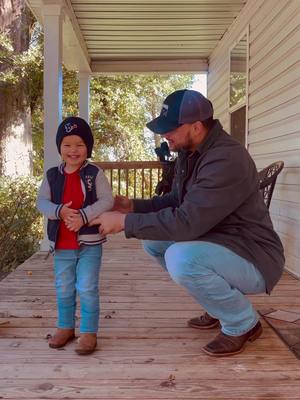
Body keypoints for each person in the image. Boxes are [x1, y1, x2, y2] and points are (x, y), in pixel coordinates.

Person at [91, 89, 285, 357]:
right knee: (155, 243)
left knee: (181, 258)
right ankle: (220, 305)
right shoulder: (191, 151)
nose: (164, 135)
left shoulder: (226, 159)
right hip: (222, 241)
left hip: (254, 256)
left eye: (170, 129)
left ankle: (242, 323)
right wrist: (133, 206)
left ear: (196, 126)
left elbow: (186, 223)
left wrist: (125, 222)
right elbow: (176, 199)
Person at [37, 116, 114, 355]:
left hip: (89, 243)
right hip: (62, 244)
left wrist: (84, 216)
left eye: (80, 144)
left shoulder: (94, 174)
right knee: (64, 287)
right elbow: (42, 203)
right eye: (67, 144)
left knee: (88, 287)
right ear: (60, 147)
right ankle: (65, 327)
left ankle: (89, 331)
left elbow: (107, 200)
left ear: (88, 148)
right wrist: (58, 211)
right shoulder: (52, 175)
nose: (73, 150)